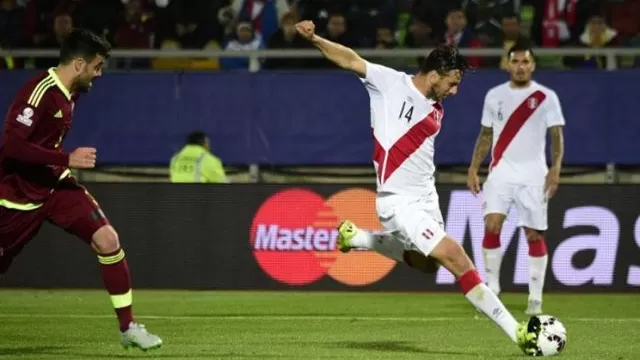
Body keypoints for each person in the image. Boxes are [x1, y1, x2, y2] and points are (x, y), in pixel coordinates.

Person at [294, 20, 539, 356]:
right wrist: (314, 39)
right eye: (452, 84)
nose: (454, 92)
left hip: (426, 197)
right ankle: (519, 333)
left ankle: (359, 238)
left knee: (426, 264)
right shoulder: (390, 84)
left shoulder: (436, 108)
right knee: (456, 256)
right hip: (398, 202)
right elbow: (350, 59)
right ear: (435, 74)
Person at [0, 29, 162, 351]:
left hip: (56, 186)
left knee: (108, 239)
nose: (99, 74)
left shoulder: (71, 91)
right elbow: (11, 145)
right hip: (17, 196)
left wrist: (61, 164)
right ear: (78, 64)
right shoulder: (39, 91)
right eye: (97, 66)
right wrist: (66, 157)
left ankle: (128, 327)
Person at [467, 42, 565, 316]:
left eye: (525, 62)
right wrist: (474, 167)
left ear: (533, 65)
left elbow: (557, 137)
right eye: (515, 61)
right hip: (501, 172)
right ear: (507, 64)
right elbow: (486, 135)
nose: (520, 67)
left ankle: (535, 298)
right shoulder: (494, 95)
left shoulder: (547, 97)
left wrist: (555, 169)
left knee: (533, 233)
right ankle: (493, 289)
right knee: (492, 224)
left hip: (534, 174)